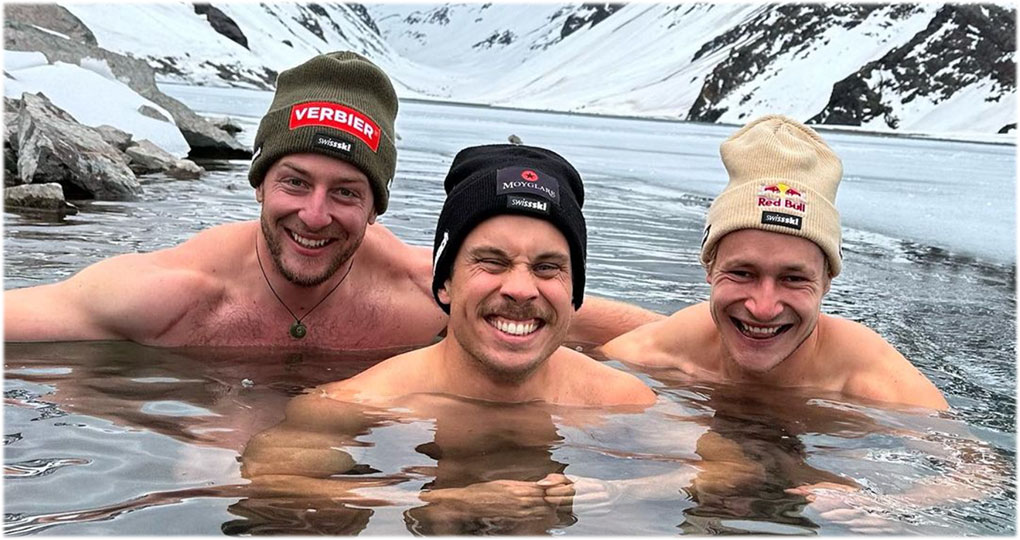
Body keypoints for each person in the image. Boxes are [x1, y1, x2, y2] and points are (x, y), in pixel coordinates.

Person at [4, 51, 661, 349]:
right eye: (294, 183)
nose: (314, 215)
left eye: (345, 192)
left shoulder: (421, 291)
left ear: (376, 207)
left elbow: (633, 331)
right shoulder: (172, 290)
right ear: (258, 182)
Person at [239, 144, 656, 533]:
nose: (522, 289)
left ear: (574, 295)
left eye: (548, 268)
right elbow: (271, 478)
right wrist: (451, 503)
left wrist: (617, 492)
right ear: (445, 285)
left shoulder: (624, 400)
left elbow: (718, 471)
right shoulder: (363, 399)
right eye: (492, 262)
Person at [601, 115, 948, 410]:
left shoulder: (867, 379)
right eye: (742, 273)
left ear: (827, 280)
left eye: (793, 279)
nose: (763, 308)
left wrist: (865, 493)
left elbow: (979, 471)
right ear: (709, 268)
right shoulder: (668, 352)